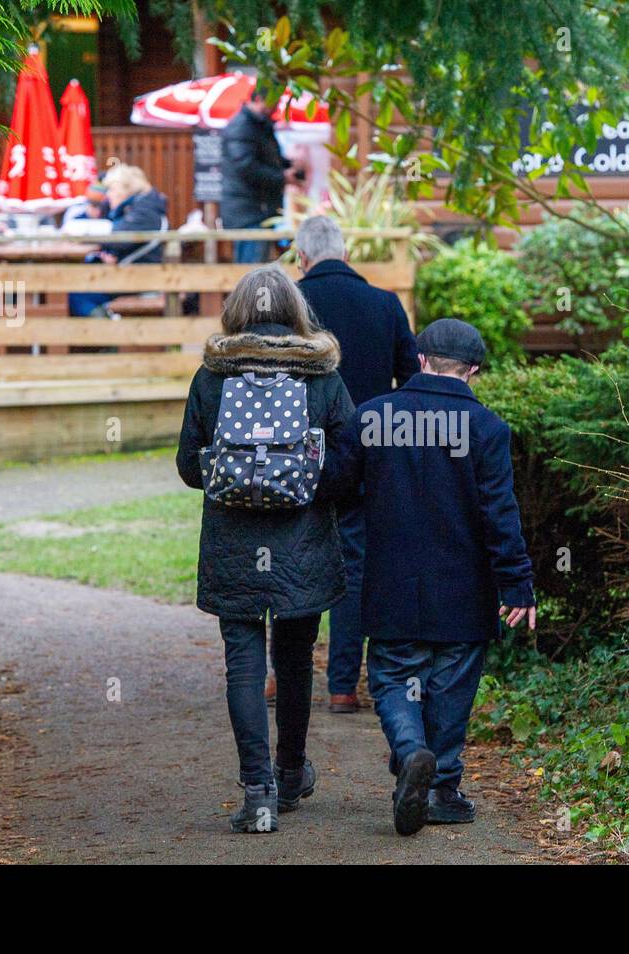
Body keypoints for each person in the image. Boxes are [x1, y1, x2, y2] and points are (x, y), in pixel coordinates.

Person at [331, 318, 536, 836]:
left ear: (420, 360)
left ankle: (410, 752)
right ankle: (443, 788)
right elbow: (499, 513)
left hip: (391, 584)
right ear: (473, 371)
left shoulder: (373, 417)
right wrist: (517, 584)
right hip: (463, 591)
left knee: (394, 678)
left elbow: (334, 485)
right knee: (451, 685)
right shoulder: (488, 429)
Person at [175, 265, 354, 834]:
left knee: (244, 667)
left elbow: (188, 466)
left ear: (237, 311)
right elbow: (348, 464)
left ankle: (258, 794)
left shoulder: (213, 376)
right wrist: (305, 490)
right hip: (301, 543)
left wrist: (236, 482)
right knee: (296, 662)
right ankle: (293, 772)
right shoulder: (321, 375)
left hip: (233, 541)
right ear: (296, 310)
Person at [295, 215, 420, 714]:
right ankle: (343, 687)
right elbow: (411, 378)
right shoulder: (386, 304)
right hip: (367, 456)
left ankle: (283, 677)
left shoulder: (292, 306)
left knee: (290, 562)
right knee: (352, 567)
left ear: (302, 259)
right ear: (346, 255)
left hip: (299, 455)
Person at [68, 164, 168, 317]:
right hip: (133, 273)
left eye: (112, 190)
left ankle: (107, 336)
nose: (108, 195)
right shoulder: (139, 207)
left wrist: (110, 250)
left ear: (126, 192)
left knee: (77, 294)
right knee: (73, 287)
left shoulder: (144, 212)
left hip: (138, 276)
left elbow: (118, 237)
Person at [220, 82, 298, 264]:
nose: (277, 108)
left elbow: (265, 158)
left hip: (260, 210)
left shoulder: (260, 126)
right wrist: (282, 177)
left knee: (257, 270)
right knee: (251, 272)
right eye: (273, 102)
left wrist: (288, 165)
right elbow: (246, 167)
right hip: (248, 213)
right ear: (258, 99)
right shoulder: (242, 127)